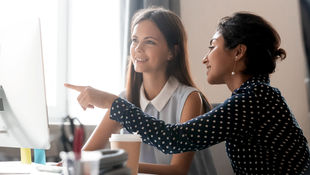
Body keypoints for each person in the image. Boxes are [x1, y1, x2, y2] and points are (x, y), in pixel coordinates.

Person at [66, 11, 310, 174]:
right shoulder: (252, 97)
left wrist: (113, 103)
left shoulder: (256, 98)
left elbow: (175, 139)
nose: (205, 58)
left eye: (213, 47)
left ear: (238, 53)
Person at [65, 7, 217, 175]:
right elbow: (86, 155)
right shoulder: (125, 99)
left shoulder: (189, 99)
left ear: (172, 52)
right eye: (135, 40)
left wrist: (119, 166)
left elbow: (177, 170)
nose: (138, 48)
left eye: (149, 41)